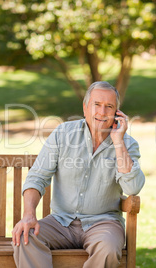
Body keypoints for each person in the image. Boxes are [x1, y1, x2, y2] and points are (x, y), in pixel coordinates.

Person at [12, 81, 145, 268]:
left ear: (117, 113)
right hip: (60, 222)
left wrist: (118, 142)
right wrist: (28, 215)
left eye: (109, 107)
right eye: (96, 105)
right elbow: (37, 177)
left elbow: (133, 187)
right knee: (25, 238)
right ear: (85, 108)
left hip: (103, 223)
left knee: (107, 248)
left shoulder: (127, 144)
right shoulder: (63, 134)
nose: (102, 112)